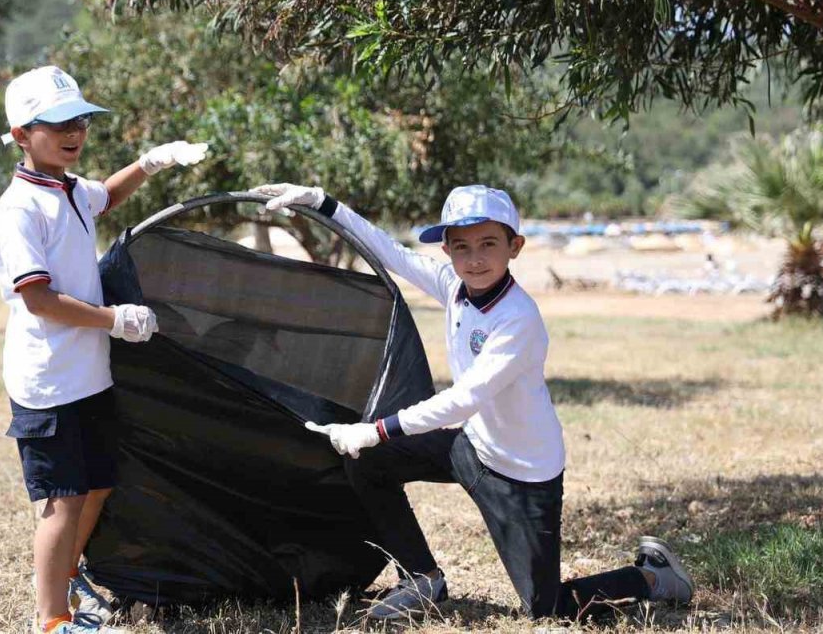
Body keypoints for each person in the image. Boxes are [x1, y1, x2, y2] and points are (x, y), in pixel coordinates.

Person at [252, 183, 694, 622]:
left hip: (523, 475)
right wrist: (323, 203)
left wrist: (375, 428)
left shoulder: (518, 318)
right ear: (446, 250)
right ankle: (422, 577)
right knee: (368, 462)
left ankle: (653, 578)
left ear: (514, 246)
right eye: (461, 246)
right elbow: (392, 254)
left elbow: (463, 401)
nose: (475, 258)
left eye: (488, 244)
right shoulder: (453, 287)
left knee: (546, 608)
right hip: (471, 449)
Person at [0, 65, 209, 633]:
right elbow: (38, 299)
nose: (74, 131)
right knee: (61, 502)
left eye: (81, 119)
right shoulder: (19, 211)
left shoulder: (66, 188)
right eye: (58, 122)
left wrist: (150, 163)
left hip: (89, 374)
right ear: (20, 134)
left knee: (97, 483)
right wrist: (115, 320)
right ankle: (53, 618)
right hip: (49, 381)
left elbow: (104, 197)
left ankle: (70, 575)